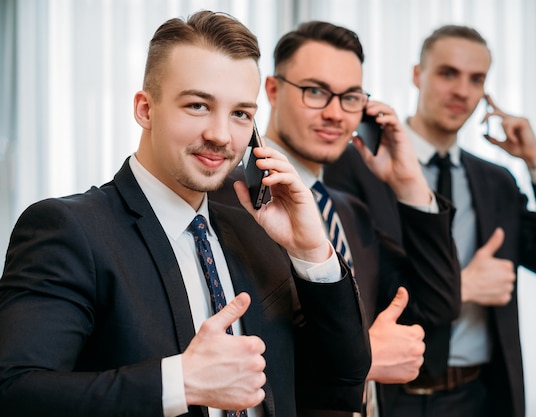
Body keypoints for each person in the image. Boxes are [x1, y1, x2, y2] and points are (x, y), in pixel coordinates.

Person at [0, 11, 372, 417]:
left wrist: (312, 250)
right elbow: (16, 392)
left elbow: (342, 381)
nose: (221, 135)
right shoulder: (70, 230)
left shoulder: (256, 235)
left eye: (240, 114)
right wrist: (181, 382)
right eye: (198, 105)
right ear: (145, 109)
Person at [324, 24, 536, 417]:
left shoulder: (496, 181)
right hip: (391, 397)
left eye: (476, 79)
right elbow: (352, 295)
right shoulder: (355, 164)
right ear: (418, 75)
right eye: (448, 73)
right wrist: (464, 286)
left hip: (479, 396)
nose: (462, 91)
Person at [212, 21, 461, 417]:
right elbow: (227, 360)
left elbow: (438, 306)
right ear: (273, 91)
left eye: (350, 98)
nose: (334, 113)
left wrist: (410, 185)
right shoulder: (225, 201)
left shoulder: (350, 211)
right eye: (315, 92)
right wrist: (359, 361)